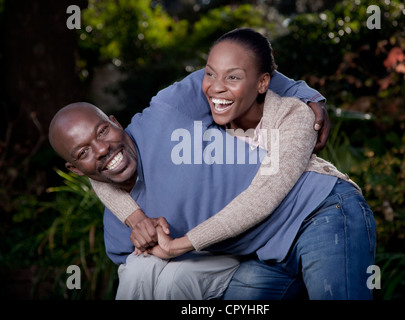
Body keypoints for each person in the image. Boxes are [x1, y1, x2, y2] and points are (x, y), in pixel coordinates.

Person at [89, 28, 376, 300]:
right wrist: (136, 217)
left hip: (321, 213)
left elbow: (263, 196)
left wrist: (180, 245)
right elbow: (97, 166)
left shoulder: (295, 117)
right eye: (210, 74)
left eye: (233, 78)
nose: (216, 87)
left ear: (262, 82)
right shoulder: (196, 104)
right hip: (265, 246)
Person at [48, 43, 331, 299]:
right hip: (216, 257)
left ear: (114, 122)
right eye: (83, 152)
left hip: (287, 218)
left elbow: (238, 72)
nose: (100, 149)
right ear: (75, 170)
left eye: (101, 131)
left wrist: (304, 95)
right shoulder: (117, 226)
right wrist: (136, 223)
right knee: (141, 273)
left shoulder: (167, 112)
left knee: (175, 279)